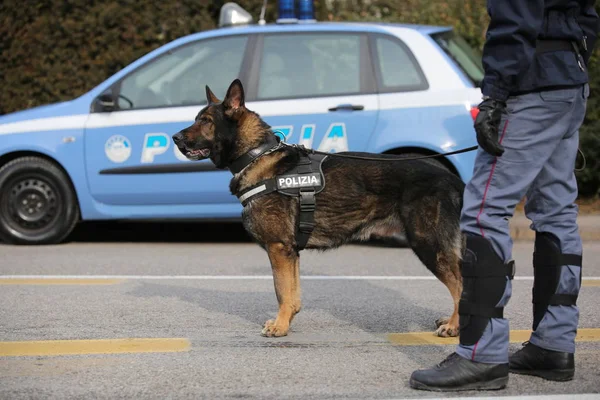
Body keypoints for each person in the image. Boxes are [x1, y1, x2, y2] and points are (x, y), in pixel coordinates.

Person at [409, 0, 599, 392]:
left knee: (482, 212)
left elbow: (514, 20)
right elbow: (588, 17)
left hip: (530, 86)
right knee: (557, 213)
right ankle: (553, 345)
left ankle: (481, 354)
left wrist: (495, 95)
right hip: (568, 81)